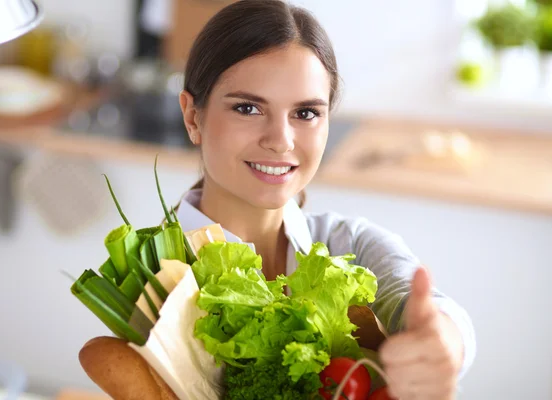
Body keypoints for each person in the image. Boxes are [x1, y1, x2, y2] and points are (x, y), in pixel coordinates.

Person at [81, 1, 476, 399]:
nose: (281, 140)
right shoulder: (153, 292)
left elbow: (427, 309)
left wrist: (443, 341)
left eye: (305, 113)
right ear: (192, 117)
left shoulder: (351, 246)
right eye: (248, 108)